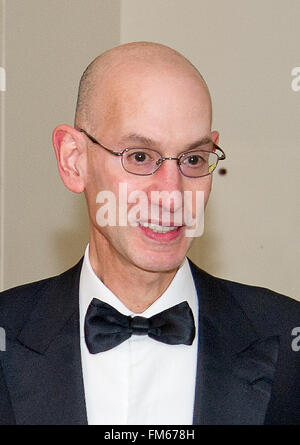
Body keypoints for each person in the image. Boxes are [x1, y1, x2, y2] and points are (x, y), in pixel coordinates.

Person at [0, 42, 299, 425]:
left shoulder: (288, 343)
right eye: (140, 157)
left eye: (193, 159)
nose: (172, 196)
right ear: (74, 161)